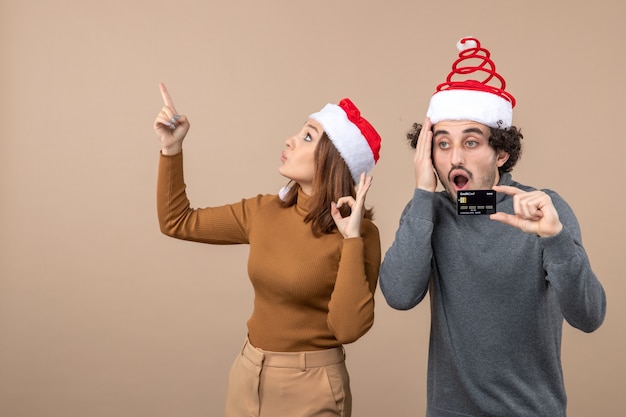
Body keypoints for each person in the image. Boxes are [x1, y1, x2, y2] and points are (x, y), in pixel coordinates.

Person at [379, 37, 606, 417]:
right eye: (443, 144)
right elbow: (399, 295)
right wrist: (422, 192)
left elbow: (589, 316)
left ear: (501, 152)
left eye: (471, 142)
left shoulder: (541, 209)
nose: (455, 157)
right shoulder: (427, 213)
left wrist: (556, 239)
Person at [153, 83, 382, 417]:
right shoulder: (264, 211)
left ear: (334, 159)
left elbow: (348, 329)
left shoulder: (361, 234)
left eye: (307, 137)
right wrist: (171, 149)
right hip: (248, 373)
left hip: (312, 387)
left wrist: (351, 239)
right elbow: (177, 221)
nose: (289, 139)